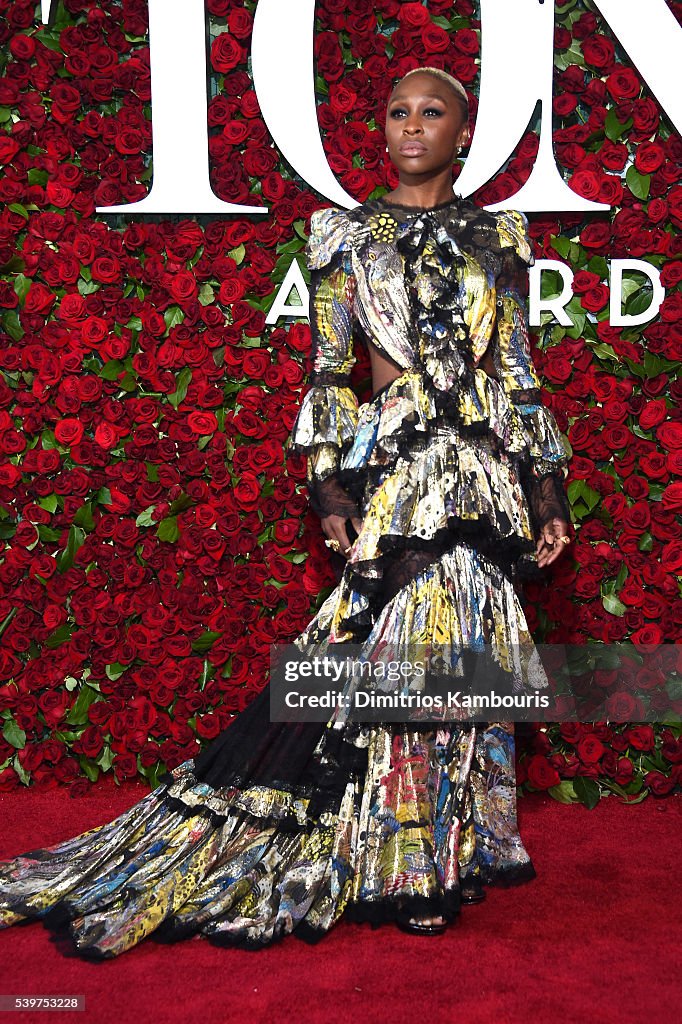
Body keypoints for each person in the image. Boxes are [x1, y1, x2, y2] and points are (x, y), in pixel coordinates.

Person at [0, 67, 571, 956]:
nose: (412, 127)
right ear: (379, 129)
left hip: (487, 475)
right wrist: (331, 488)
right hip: (399, 468)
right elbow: (329, 366)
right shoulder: (344, 234)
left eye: (434, 113)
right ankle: (403, 866)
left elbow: (518, 370)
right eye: (396, 112)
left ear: (465, 134)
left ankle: (458, 845)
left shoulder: (499, 237)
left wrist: (547, 488)